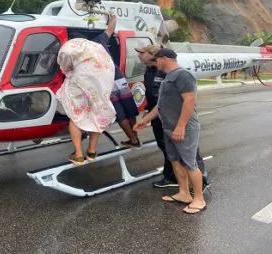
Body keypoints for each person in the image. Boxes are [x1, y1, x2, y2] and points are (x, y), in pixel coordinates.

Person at [134, 48, 206, 214]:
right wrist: (144, 120)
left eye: (156, 59)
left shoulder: (182, 75)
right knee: (175, 160)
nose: (155, 63)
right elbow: (160, 107)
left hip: (184, 128)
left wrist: (180, 126)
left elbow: (189, 101)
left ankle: (199, 199)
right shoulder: (167, 78)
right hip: (169, 128)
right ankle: (184, 193)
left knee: (189, 163)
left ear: (164, 58)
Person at [79, 14, 141, 148]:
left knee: (120, 113)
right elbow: (111, 28)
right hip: (118, 78)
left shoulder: (80, 51)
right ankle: (135, 137)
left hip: (105, 83)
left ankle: (133, 139)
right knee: (129, 108)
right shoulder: (99, 39)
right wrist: (112, 16)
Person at [56, 37, 116, 165]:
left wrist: (67, 70)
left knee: (76, 114)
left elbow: (65, 60)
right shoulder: (97, 47)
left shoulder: (69, 45)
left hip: (83, 79)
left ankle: (78, 154)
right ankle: (92, 151)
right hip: (103, 80)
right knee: (96, 112)